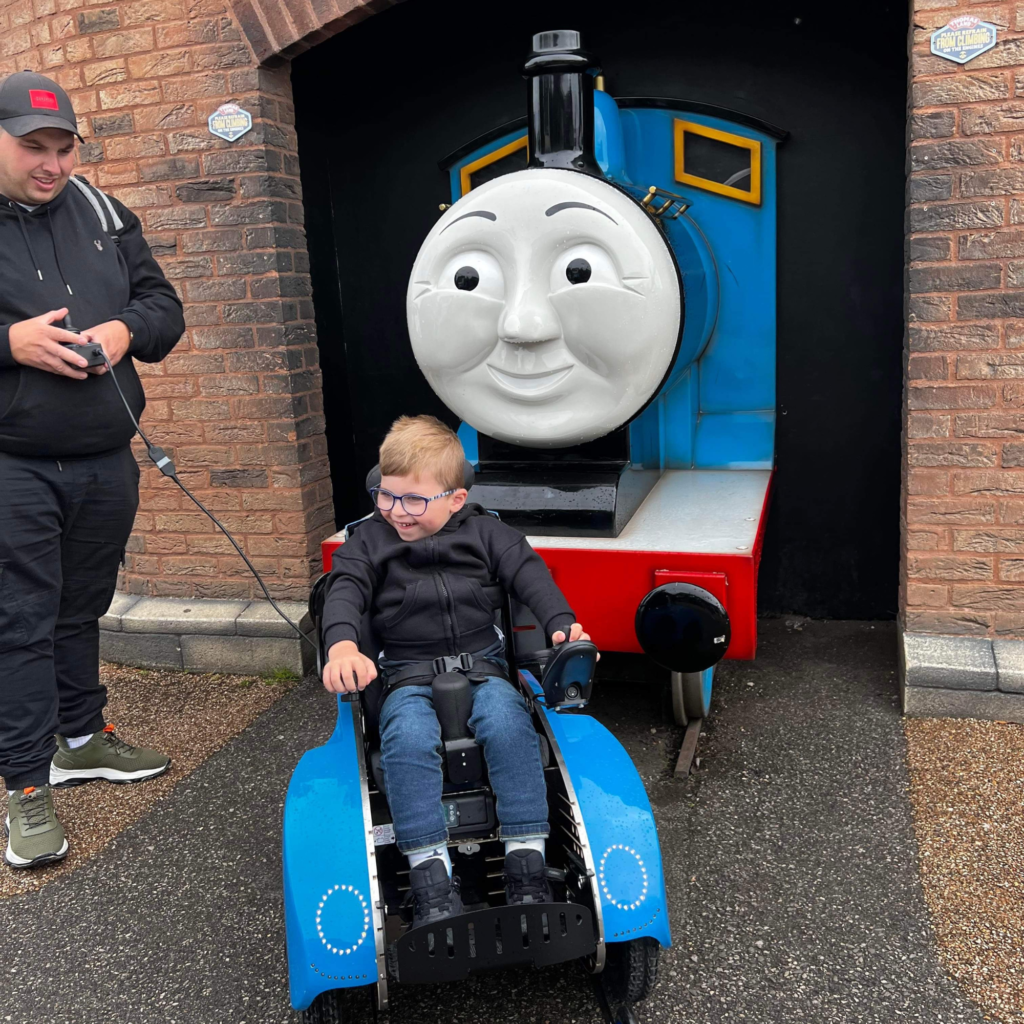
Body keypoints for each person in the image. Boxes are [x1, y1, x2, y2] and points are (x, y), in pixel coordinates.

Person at [0, 72, 185, 869]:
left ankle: (80, 738)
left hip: (107, 457)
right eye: (31, 147)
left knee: (82, 606)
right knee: (20, 623)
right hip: (13, 464)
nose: (51, 163)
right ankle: (25, 786)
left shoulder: (105, 213)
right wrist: (8, 343)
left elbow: (164, 309)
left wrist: (123, 330)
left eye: (63, 147)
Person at [321, 415, 593, 926]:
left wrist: (562, 624)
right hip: (405, 673)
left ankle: (526, 865)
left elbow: (530, 575)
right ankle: (431, 880)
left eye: (413, 500)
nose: (396, 511)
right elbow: (345, 590)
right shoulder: (369, 541)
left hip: (484, 668)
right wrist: (341, 647)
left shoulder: (488, 533)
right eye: (386, 495)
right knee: (406, 740)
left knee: (511, 726)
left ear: (455, 499)